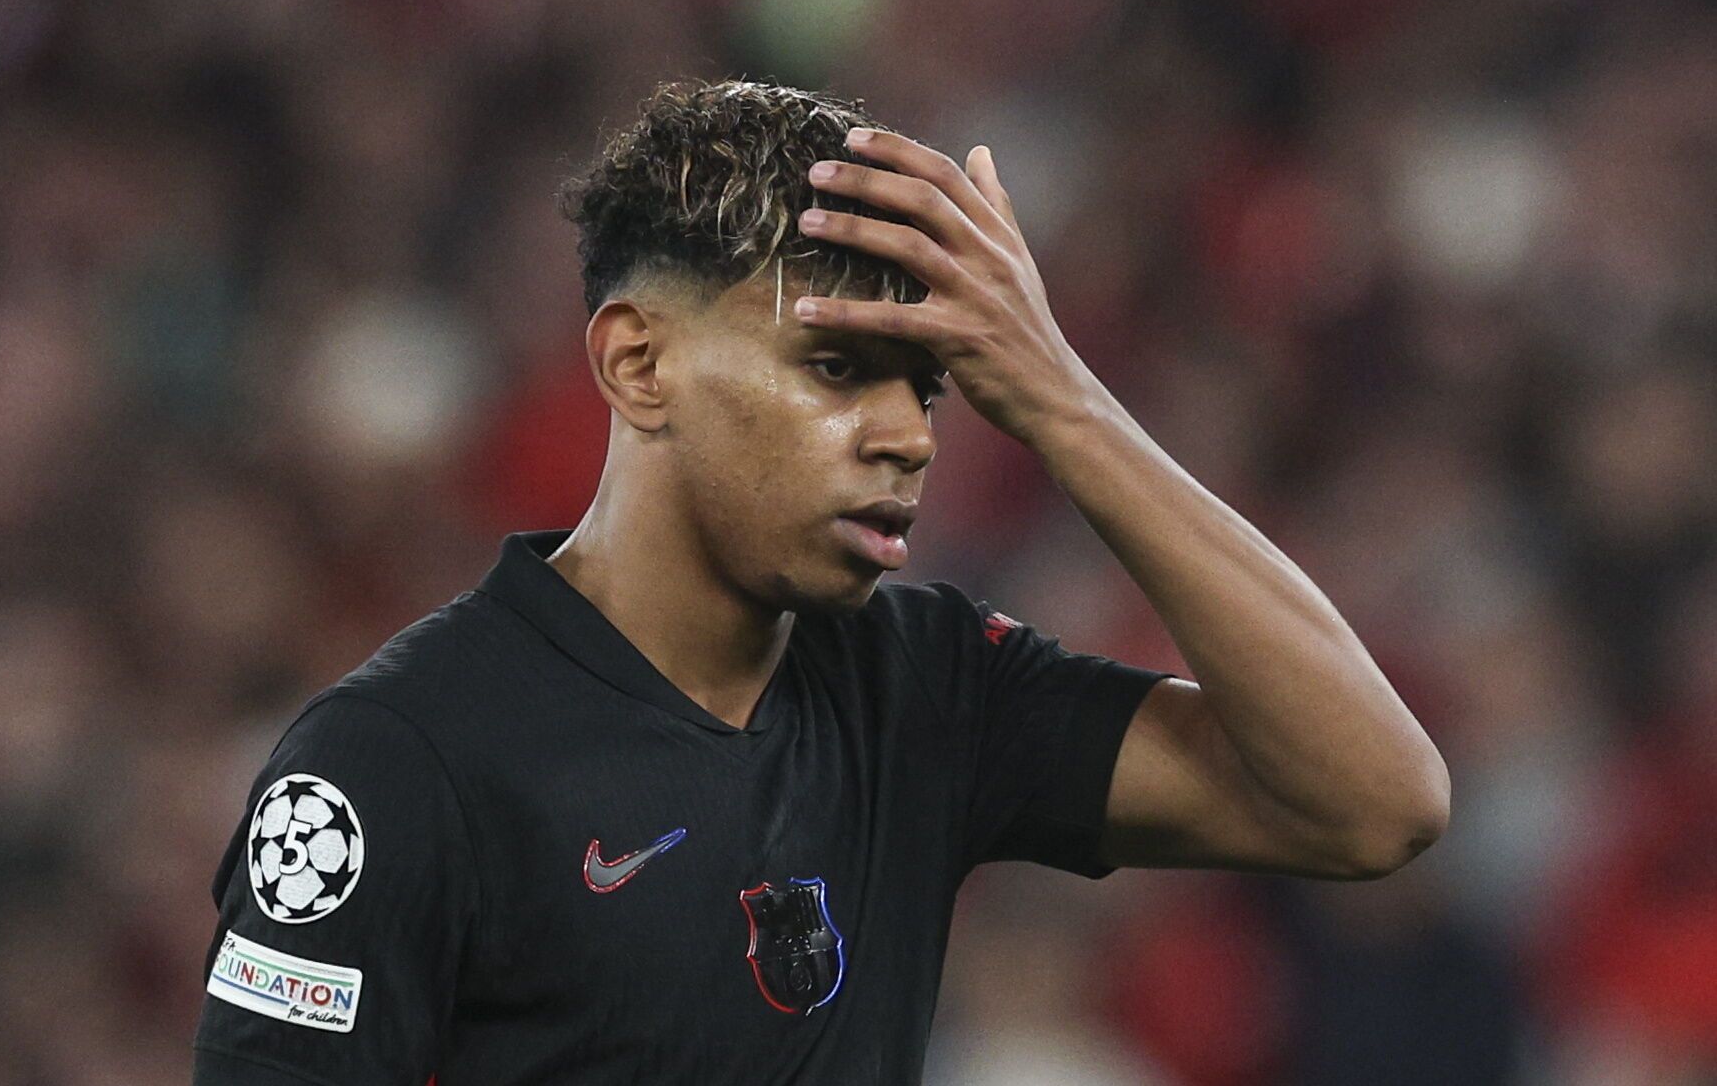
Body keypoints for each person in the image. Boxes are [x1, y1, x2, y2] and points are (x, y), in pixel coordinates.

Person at [190, 78, 1449, 1084]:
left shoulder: (930, 689)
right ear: (639, 365)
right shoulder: (394, 761)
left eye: (933, 384)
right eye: (840, 368)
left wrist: (1066, 405)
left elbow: (1376, 801)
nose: (910, 434)